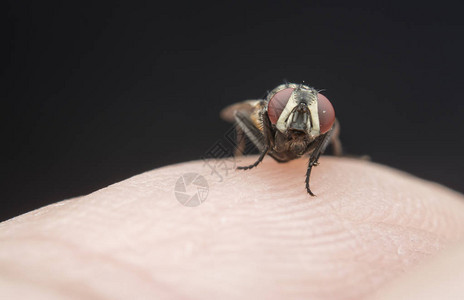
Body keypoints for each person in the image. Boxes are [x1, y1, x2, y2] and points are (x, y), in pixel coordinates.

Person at [1, 156, 463, 299]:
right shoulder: (265, 114)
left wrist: (319, 159)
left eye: (313, 113)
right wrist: (263, 159)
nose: (298, 119)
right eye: (286, 109)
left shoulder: (314, 125)